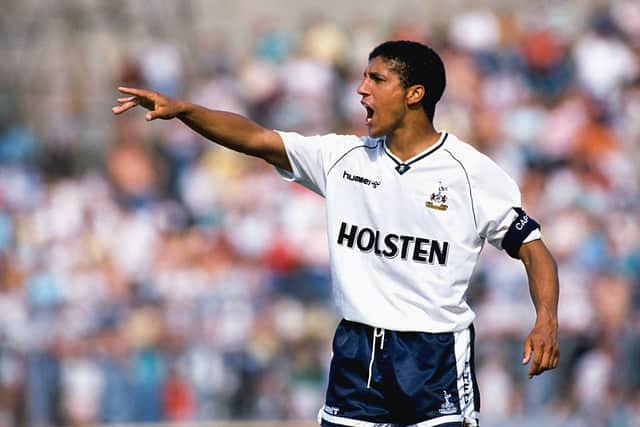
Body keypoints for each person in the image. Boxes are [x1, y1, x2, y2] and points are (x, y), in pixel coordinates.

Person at [112, 40, 559, 427]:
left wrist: (545, 319)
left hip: (433, 355)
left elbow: (533, 250)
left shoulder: (470, 173)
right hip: (357, 351)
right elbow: (258, 139)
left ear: (414, 94)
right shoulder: (341, 159)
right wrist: (186, 111)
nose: (361, 89)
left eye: (377, 79)